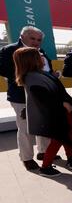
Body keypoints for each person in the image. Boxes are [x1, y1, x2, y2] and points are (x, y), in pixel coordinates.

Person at [13, 47, 72, 177]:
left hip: (63, 110)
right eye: (39, 56)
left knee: (68, 135)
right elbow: (42, 97)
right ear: (31, 60)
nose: (42, 57)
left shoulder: (38, 74)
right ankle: (46, 166)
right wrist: (63, 103)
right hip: (57, 112)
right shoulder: (32, 77)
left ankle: (71, 159)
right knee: (59, 138)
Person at [0, 26, 56, 170]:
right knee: (25, 128)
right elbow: (3, 69)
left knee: (43, 125)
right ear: (22, 36)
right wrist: (28, 76)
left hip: (42, 96)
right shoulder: (10, 50)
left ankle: (43, 151)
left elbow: (47, 68)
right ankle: (26, 158)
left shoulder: (41, 52)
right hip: (21, 97)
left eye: (39, 40)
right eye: (33, 38)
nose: (36, 42)